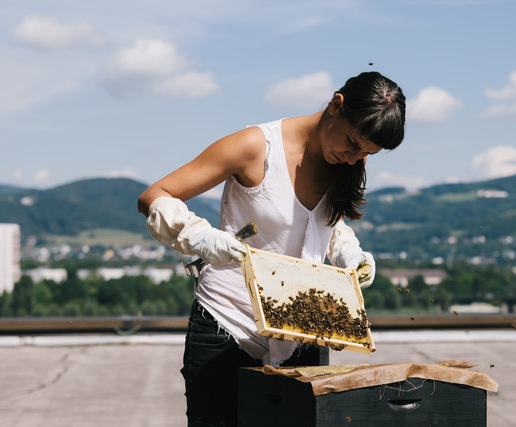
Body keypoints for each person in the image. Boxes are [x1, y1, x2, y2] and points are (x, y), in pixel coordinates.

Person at [137, 71, 406, 426]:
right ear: (336, 106)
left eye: (367, 153)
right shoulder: (254, 146)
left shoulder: (347, 158)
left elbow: (322, 219)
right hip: (228, 329)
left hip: (303, 335)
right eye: (353, 143)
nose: (356, 158)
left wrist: (347, 252)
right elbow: (154, 195)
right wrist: (199, 236)